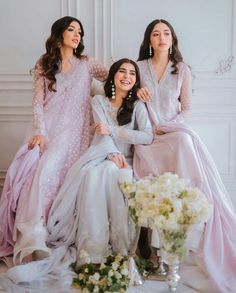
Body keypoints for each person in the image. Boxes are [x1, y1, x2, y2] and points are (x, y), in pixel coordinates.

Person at [0, 58, 153, 292]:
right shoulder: (99, 101)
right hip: (101, 153)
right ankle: (92, 251)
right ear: (112, 77)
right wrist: (109, 149)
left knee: (110, 171)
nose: (127, 76)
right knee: (93, 174)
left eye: (132, 74)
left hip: (124, 159)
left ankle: (118, 249)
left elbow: (147, 137)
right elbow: (100, 136)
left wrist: (114, 132)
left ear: (136, 81)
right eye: (121, 71)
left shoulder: (138, 107)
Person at [134, 19, 236, 293]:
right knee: (171, 146)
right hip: (147, 137)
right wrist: (137, 94)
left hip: (174, 132)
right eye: (156, 34)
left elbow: (187, 109)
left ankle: (186, 225)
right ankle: (152, 249)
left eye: (166, 33)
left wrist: (172, 125)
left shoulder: (182, 70)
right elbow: (123, 92)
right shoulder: (139, 67)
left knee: (183, 141)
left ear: (173, 39)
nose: (161, 37)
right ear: (149, 40)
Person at [0, 16, 108, 265]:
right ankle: (34, 237)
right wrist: (40, 131)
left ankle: (53, 233)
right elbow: (38, 103)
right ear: (59, 35)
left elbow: (113, 78)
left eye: (80, 31)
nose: (77, 34)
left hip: (75, 132)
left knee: (60, 176)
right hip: (48, 129)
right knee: (40, 174)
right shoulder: (44, 64)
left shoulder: (87, 63)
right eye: (72, 29)